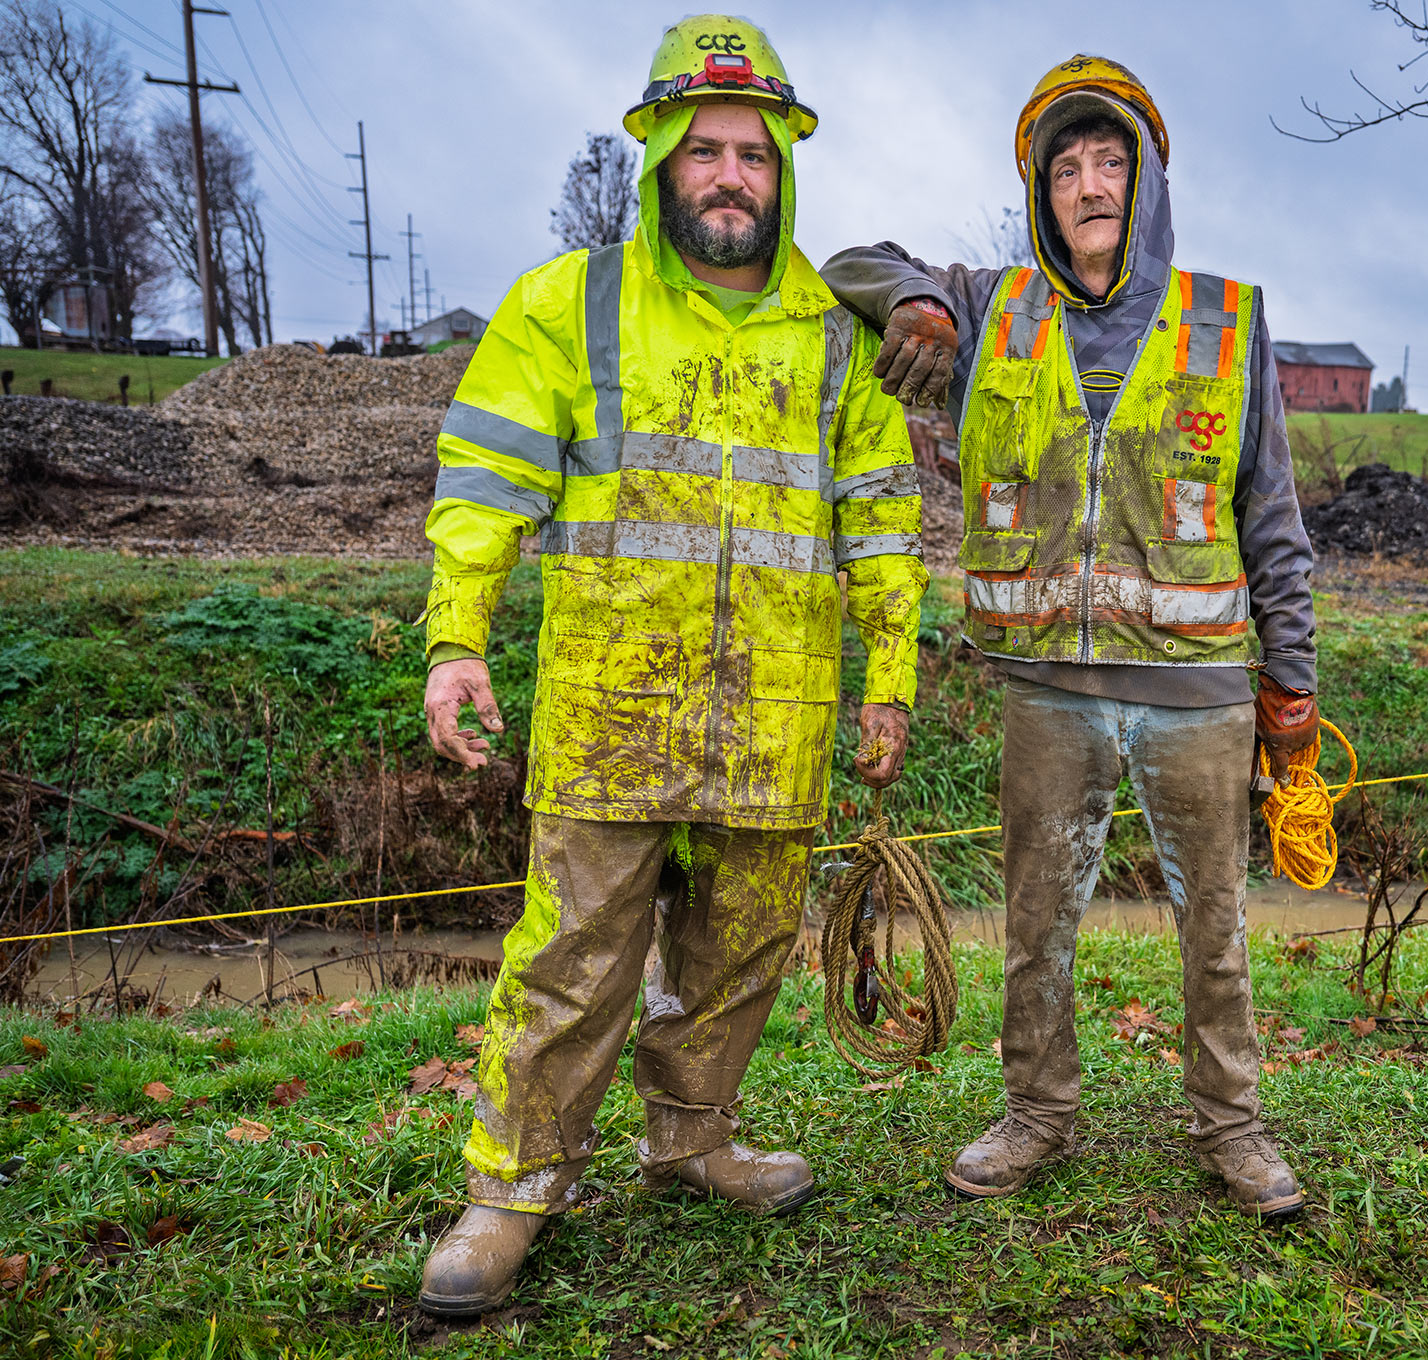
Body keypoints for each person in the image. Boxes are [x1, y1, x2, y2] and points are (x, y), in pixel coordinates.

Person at [414, 14, 926, 1317]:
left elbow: (879, 512)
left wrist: (890, 671)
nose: (729, 175)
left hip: (779, 713)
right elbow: (485, 484)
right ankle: (511, 1189)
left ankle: (690, 1140)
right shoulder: (567, 307)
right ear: (655, 156)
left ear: (784, 170)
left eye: (752, 154)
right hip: (611, 707)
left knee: (742, 951)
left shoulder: (831, 333)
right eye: (704, 150)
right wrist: (459, 632)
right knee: (573, 955)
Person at [821, 55, 1319, 1222]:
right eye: (1066, 168)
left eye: (1111, 161)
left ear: (1147, 182)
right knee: (1037, 922)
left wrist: (1292, 697)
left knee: (1217, 931)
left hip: (1199, 689)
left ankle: (1233, 1129)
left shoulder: (1227, 320)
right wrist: (919, 302)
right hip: (1046, 685)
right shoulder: (993, 306)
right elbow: (846, 263)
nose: (1090, 184)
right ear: (1042, 195)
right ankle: (1037, 1111)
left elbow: (1277, 526)